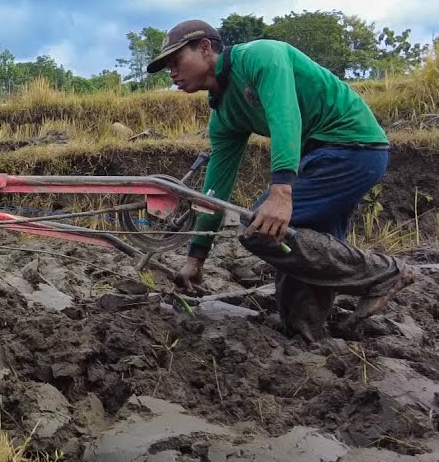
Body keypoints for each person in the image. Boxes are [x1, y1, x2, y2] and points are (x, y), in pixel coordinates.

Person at [146, 19, 415, 340]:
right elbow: (215, 190)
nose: (172, 73)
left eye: (176, 61)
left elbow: (285, 116)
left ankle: (383, 273)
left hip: (352, 148)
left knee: (259, 228)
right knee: (299, 249)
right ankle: (305, 336)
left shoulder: (261, 57)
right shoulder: (223, 115)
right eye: (167, 68)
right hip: (314, 158)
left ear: (205, 48)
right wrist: (196, 257)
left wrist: (282, 191)